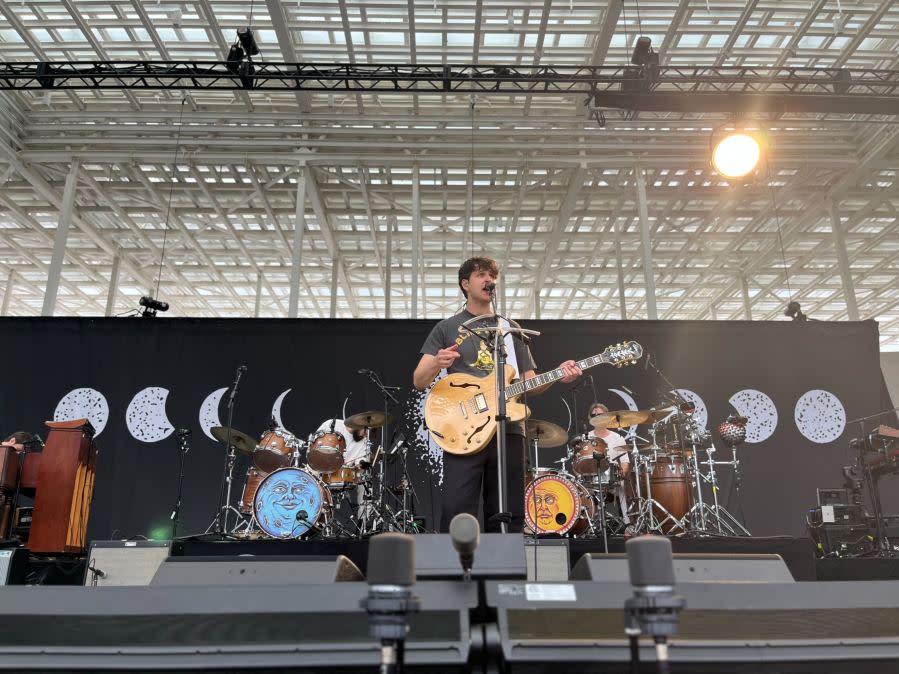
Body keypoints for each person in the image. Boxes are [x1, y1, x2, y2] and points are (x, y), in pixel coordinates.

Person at [413, 256, 582, 532]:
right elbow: (419, 380)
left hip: (509, 429)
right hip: (464, 429)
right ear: (465, 284)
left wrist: (558, 374)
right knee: (457, 508)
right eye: (481, 275)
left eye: (492, 275)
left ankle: (506, 571)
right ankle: (455, 570)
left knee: (508, 509)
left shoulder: (511, 328)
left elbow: (530, 384)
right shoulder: (447, 327)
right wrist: (436, 362)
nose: (488, 280)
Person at [586, 402, 632, 521]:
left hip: (613, 478)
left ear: (607, 416)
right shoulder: (586, 438)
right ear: (590, 418)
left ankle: (626, 523)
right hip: (592, 478)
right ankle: (589, 524)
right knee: (583, 487)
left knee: (621, 485)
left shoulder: (618, 438)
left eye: (601, 415)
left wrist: (621, 473)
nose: (597, 417)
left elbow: (625, 462)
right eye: (594, 415)